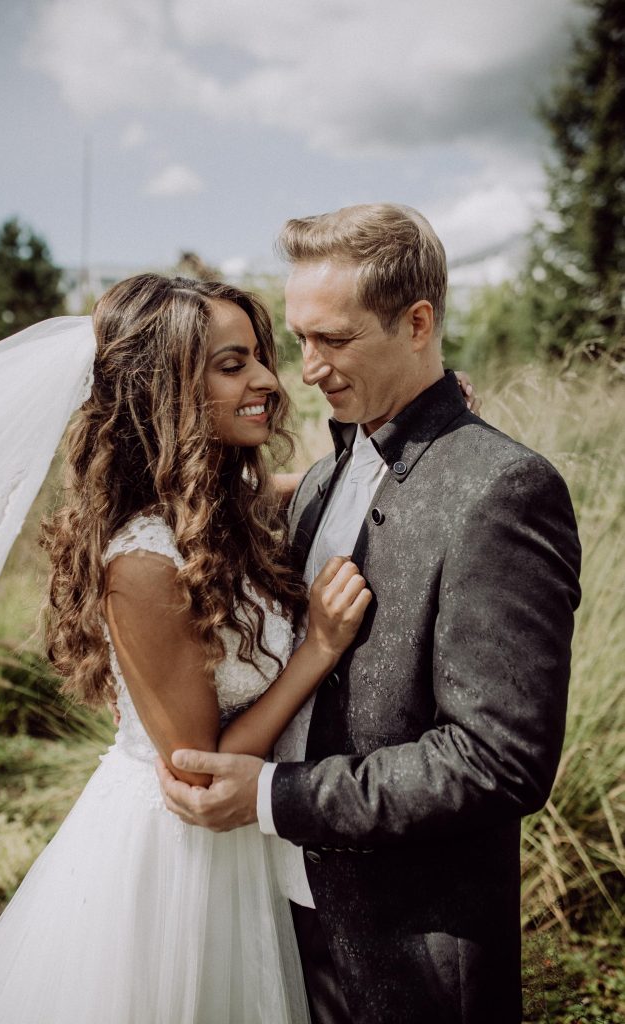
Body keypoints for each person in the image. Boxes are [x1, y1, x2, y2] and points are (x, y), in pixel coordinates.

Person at [157, 204, 583, 1024]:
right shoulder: (323, 479)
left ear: (416, 323)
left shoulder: (501, 490)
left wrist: (274, 795)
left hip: (410, 944)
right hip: (280, 910)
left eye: (334, 340)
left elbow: (498, 761)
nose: (306, 369)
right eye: (299, 339)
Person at [0, 273, 376, 1023]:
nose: (268, 382)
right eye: (232, 364)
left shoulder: (221, 509)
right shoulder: (143, 562)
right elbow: (200, 774)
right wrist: (318, 646)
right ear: (161, 391)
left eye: (258, 358)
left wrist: (418, 428)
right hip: (180, 863)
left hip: (249, 844)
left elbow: (324, 484)